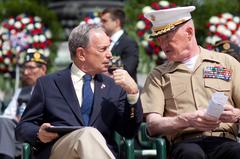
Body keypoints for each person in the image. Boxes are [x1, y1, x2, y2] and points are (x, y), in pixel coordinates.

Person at [15, 23, 143, 159]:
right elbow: (22, 127)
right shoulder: (48, 84)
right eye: (103, 49)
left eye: (109, 48)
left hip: (100, 152)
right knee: (87, 133)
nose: (109, 55)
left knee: (88, 134)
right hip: (60, 151)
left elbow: (129, 131)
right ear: (81, 54)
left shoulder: (114, 87)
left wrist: (133, 94)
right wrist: (38, 133)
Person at [141, 6, 240, 159]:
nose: (162, 44)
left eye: (167, 37)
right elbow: (153, 125)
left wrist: (236, 115)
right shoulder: (158, 75)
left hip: (225, 141)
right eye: (159, 39)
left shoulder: (226, 63)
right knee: (191, 155)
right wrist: (186, 120)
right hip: (185, 143)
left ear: (189, 33)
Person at [0, 51, 47, 159]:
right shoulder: (21, 91)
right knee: (3, 122)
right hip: (19, 135)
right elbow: (7, 117)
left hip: (39, 136)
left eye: (31, 68)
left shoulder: (51, 90)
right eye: (25, 68)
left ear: (43, 69)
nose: (26, 72)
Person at [101, 8, 139, 82]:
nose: (101, 24)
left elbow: (129, 68)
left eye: (104, 21)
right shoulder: (104, 41)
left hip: (123, 90)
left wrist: (103, 67)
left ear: (117, 22)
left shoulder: (129, 43)